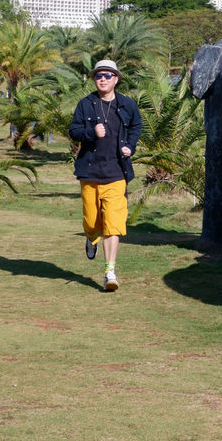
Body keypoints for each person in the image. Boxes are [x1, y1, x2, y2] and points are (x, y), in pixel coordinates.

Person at [69, 59, 142, 291]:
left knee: (113, 224)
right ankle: (91, 238)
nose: (103, 79)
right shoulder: (86, 104)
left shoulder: (127, 104)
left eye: (108, 75)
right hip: (90, 172)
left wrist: (131, 146)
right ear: (94, 79)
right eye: (99, 75)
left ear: (116, 79)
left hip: (116, 173)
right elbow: (73, 130)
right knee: (92, 221)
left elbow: (137, 125)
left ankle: (110, 272)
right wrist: (91, 132)